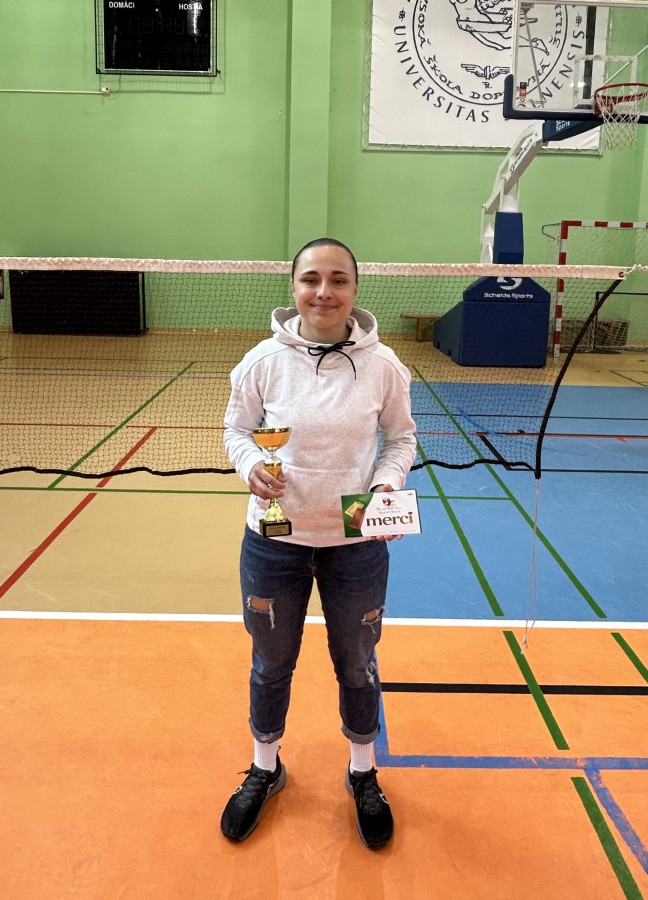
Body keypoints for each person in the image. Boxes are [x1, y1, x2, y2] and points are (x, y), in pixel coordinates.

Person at [220, 237, 417, 849]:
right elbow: (237, 429)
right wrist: (250, 464)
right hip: (274, 540)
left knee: (357, 663)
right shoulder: (261, 362)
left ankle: (362, 773)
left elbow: (401, 439)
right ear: (294, 287)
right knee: (270, 662)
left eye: (338, 280)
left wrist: (385, 485)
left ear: (355, 290)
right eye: (311, 279)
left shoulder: (384, 366)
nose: (324, 292)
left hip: (355, 540)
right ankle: (265, 767)